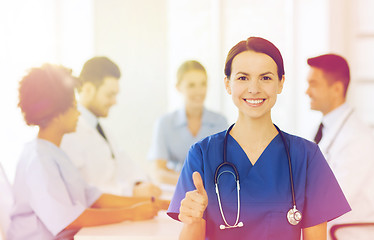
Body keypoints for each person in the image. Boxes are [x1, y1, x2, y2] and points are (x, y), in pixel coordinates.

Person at [167, 37, 351, 240]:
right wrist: (193, 219)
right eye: (243, 78)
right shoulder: (201, 155)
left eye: (265, 78)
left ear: (280, 83)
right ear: (228, 84)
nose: (254, 88)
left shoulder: (307, 157)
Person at [7, 64, 169, 240]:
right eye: (74, 107)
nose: (78, 114)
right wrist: (130, 213)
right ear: (58, 113)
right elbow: (68, 219)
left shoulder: (55, 153)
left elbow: (93, 198)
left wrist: (154, 204)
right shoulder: (38, 159)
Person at [305, 54, 374, 239]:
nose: (307, 91)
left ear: (336, 89)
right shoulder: (325, 128)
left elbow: (331, 201)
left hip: (353, 232)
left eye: (313, 84)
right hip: (333, 228)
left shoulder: (356, 139)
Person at [61, 57, 161, 197]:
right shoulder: (69, 131)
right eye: (110, 95)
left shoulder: (102, 130)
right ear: (88, 89)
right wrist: (131, 192)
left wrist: (140, 183)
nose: (114, 102)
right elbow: (80, 190)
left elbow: (124, 164)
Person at [148, 60, 228, 185]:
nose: (199, 91)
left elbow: (225, 166)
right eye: (191, 85)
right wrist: (192, 182)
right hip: (175, 191)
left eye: (203, 84)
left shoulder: (220, 122)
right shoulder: (164, 123)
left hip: (212, 194)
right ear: (178, 87)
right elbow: (158, 171)